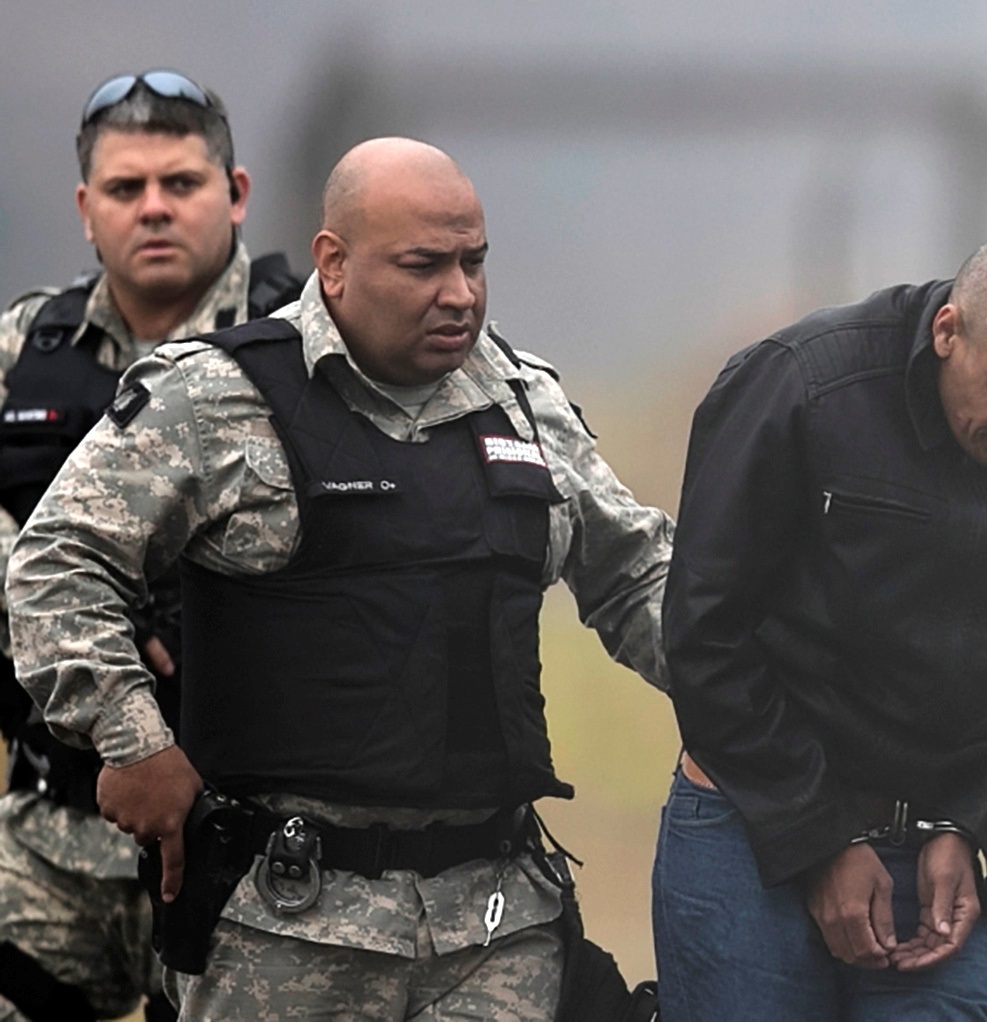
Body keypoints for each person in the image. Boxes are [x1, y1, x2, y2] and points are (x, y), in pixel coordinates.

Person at [6, 136, 672, 1020]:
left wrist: (761, 712)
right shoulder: (215, 397)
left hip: (496, 929)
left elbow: (637, 577)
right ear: (335, 262)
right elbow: (56, 560)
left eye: (474, 262)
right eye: (423, 265)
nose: (461, 294)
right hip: (283, 934)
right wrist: (132, 739)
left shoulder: (523, 400)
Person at [654, 226, 987, 1020]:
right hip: (748, 827)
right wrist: (817, 835)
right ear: (948, 332)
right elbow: (705, 632)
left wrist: (983, 833)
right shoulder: (801, 387)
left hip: (935, 856)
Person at [0, 69, 300, 1022]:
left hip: (265, 845)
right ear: (88, 210)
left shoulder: (312, 344)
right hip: (58, 832)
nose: (155, 209)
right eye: (127, 191)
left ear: (237, 194)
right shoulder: (23, 348)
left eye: (183, 184)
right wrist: (80, 620)